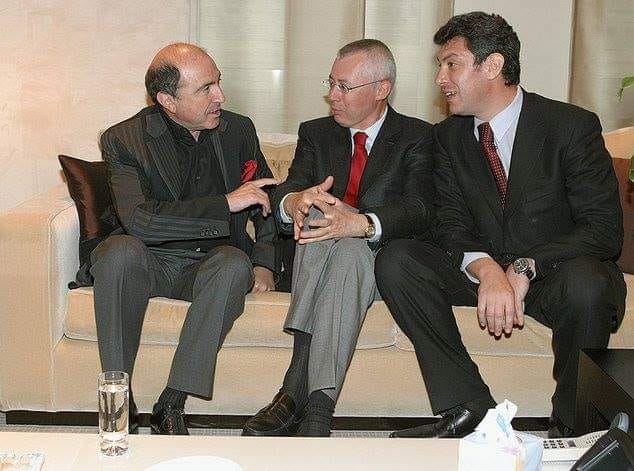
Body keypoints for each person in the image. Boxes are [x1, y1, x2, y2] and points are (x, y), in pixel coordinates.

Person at [375, 12, 626, 439]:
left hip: (554, 275)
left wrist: (526, 266)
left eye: (451, 64)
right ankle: (471, 406)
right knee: (398, 259)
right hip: (485, 273)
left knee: (589, 283)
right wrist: (487, 268)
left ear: (492, 66)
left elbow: (603, 229)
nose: (440, 78)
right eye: (440, 65)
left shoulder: (570, 127)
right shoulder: (447, 137)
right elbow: (449, 222)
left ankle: (572, 427)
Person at [242, 39, 435, 437]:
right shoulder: (317, 133)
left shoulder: (418, 136)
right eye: (330, 83)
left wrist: (361, 223)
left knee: (347, 244)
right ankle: (318, 415)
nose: (332, 95)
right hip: (322, 257)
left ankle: (294, 391)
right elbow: (289, 187)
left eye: (344, 87)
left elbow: (421, 209)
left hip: (380, 261)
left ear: (381, 89)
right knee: (319, 214)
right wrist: (295, 200)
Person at [92, 43, 278, 435]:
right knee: (117, 252)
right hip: (150, 262)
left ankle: (171, 403)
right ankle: (118, 400)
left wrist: (264, 261)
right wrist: (224, 204)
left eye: (218, 83)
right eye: (206, 88)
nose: (220, 96)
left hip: (211, 264)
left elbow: (264, 197)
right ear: (168, 100)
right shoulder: (124, 139)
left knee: (235, 263)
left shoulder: (238, 129)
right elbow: (139, 221)